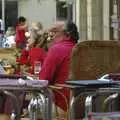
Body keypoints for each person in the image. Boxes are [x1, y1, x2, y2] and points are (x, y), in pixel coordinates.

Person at [39, 21, 79, 113]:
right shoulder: (82, 50)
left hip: (62, 105)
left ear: (67, 35)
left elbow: (43, 80)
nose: (51, 35)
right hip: (87, 105)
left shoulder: (56, 49)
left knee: (33, 105)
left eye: (55, 31)